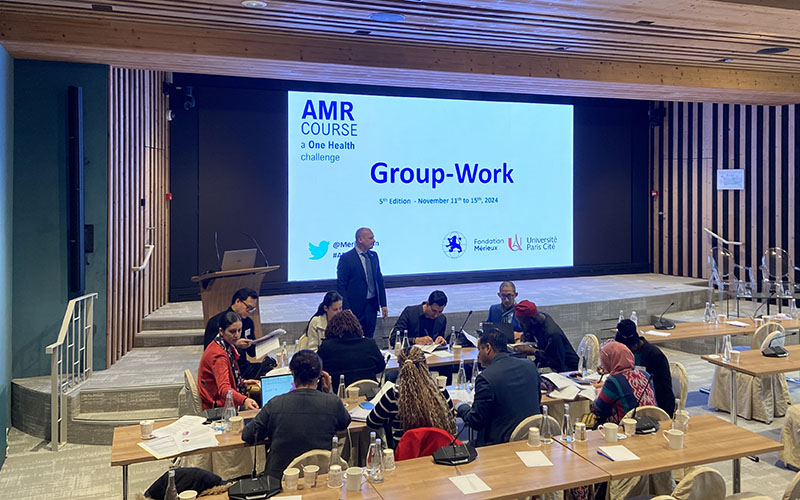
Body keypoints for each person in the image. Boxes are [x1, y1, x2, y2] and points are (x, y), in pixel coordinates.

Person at [241, 350, 351, 480]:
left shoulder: (275, 404)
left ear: (292, 374)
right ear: (320, 375)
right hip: (322, 477)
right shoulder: (333, 402)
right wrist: (328, 391)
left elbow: (247, 435)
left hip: (280, 480)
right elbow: (345, 422)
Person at [456, 329, 541, 446]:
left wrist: (460, 405)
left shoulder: (486, 377)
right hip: (530, 438)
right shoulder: (529, 366)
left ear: (488, 348)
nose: (478, 355)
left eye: (479, 349)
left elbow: (475, 421)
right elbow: (538, 399)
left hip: (499, 444)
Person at [366, 346, 456, 447]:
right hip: (438, 454)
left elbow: (372, 422)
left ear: (400, 368)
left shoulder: (393, 395)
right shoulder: (442, 393)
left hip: (404, 456)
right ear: (425, 365)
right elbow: (452, 423)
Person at [203, 288, 275, 380]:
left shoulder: (248, 322)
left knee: (272, 370)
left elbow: (252, 353)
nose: (249, 312)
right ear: (237, 301)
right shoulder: (217, 322)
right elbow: (210, 352)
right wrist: (235, 344)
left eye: (252, 309)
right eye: (248, 307)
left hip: (243, 367)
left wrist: (265, 344)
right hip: (225, 369)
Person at [197, 311, 259, 410]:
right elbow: (223, 389)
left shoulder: (224, 345)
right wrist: (244, 400)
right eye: (232, 331)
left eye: (239, 330)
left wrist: (243, 382)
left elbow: (229, 377)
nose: (237, 335)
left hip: (222, 400)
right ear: (221, 331)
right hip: (217, 406)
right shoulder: (218, 355)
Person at [317, 309, 387, 394]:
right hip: (370, 396)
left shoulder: (326, 347)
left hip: (339, 396)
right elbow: (380, 367)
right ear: (356, 326)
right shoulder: (370, 344)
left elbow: (319, 372)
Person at [615, 319, 675, 416]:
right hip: (630, 400)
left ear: (634, 345)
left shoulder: (655, 356)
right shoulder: (624, 352)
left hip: (653, 407)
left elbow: (664, 391)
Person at [336, 227, 388, 338]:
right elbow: (341, 285)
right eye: (370, 238)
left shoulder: (374, 256)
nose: (374, 240)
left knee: (369, 337)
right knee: (354, 337)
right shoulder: (347, 258)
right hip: (355, 307)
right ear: (360, 240)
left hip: (372, 306)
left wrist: (383, 304)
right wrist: (345, 308)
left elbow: (379, 280)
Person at [591, 341, 656, 424]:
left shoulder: (613, 382)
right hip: (651, 424)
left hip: (625, 428)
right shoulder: (645, 375)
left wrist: (599, 392)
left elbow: (598, 410)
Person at [514, 300, 579, 373]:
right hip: (555, 366)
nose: (520, 326)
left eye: (522, 323)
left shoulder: (552, 334)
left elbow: (557, 363)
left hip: (569, 371)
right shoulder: (539, 318)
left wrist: (534, 351)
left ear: (533, 320)